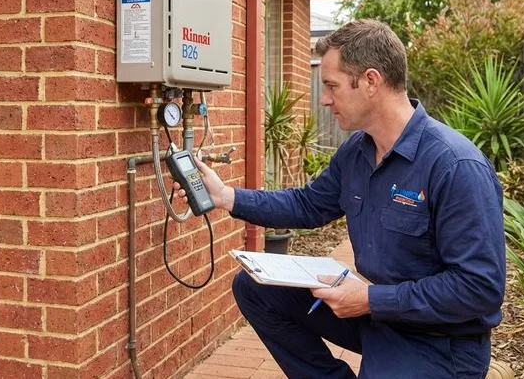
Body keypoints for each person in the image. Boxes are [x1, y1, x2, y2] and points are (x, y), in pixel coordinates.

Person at [180, 19, 506, 378]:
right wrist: (226, 196)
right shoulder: (357, 152)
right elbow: (308, 205)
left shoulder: (454, 166)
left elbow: (479, 288)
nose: (324, 99)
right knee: (255, 287)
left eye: (331, 85)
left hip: (438, 342)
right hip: (377, 317)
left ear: (370, 81)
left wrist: (369, 299)